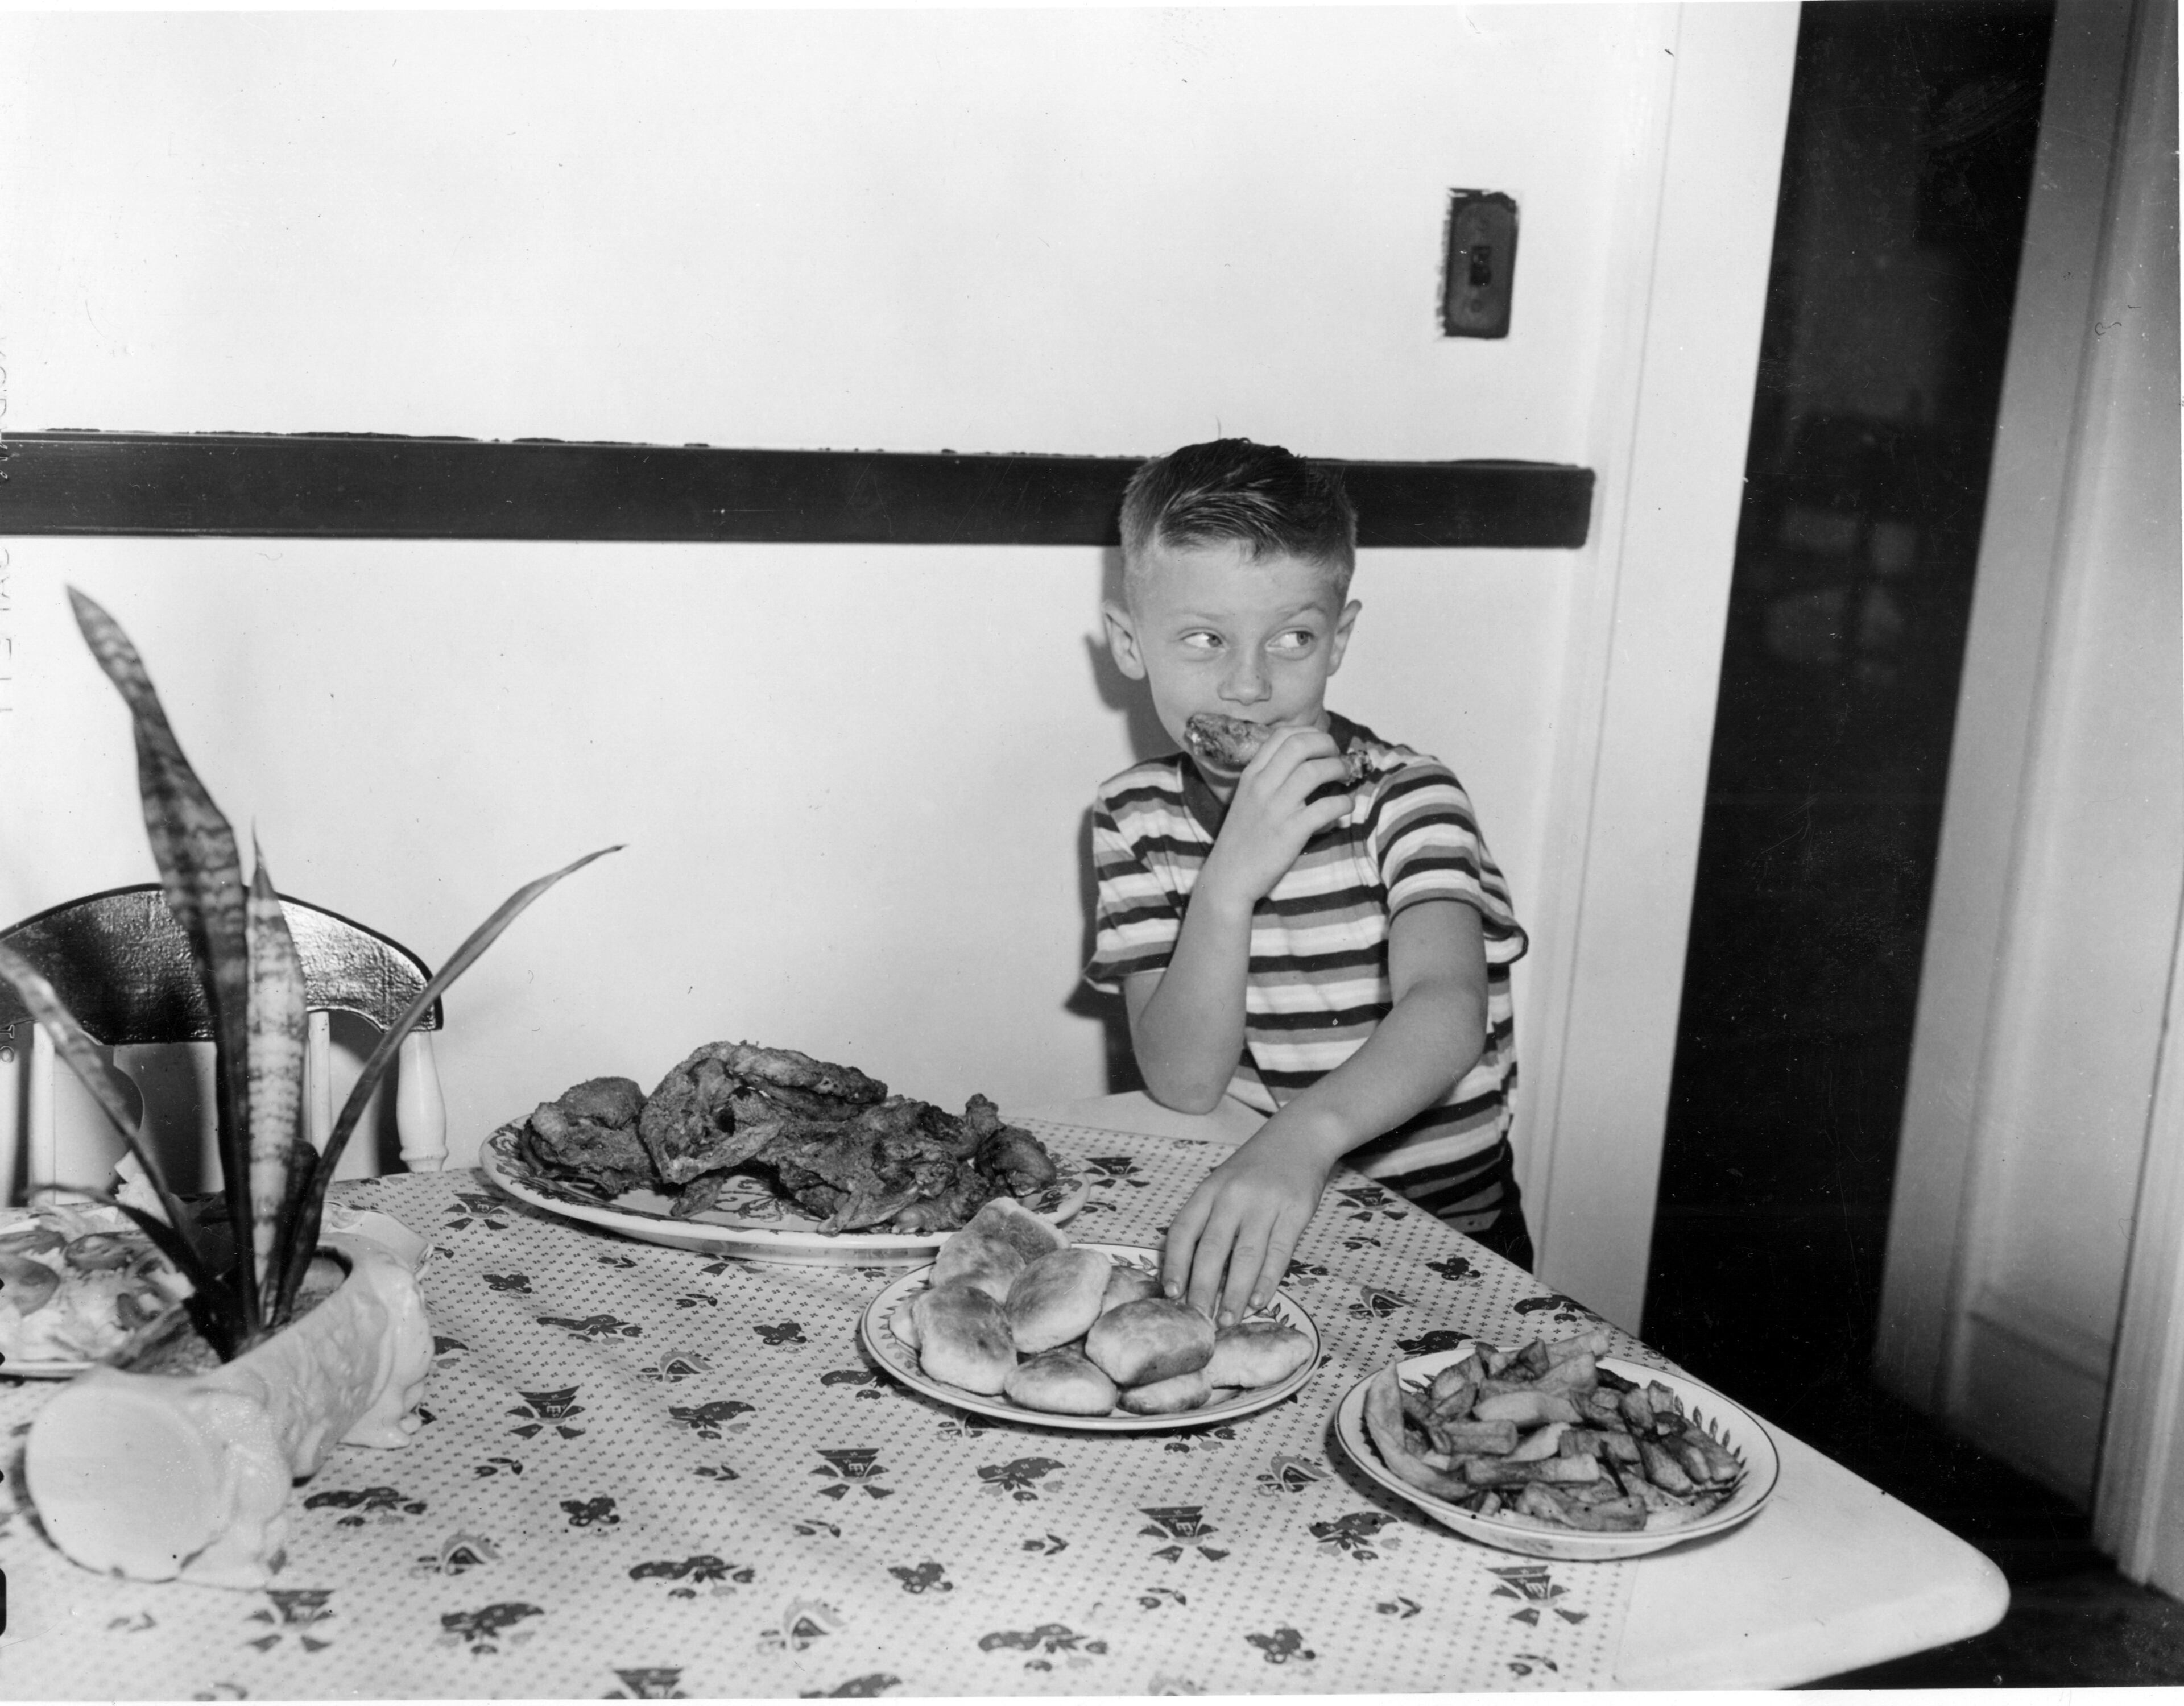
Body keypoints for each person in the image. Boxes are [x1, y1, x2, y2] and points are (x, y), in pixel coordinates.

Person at [1084, 437, 1530, 1327]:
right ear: (1131, 645)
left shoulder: (1406, 797)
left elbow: (1447, 1007)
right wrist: (1228, 882)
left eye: (1292, 637)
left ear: (1341, 639)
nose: (1249, 685)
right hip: (1255, 1209)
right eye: (1205, 639)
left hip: (1444, 1217)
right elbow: (1184, 1084)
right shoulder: (1132, 818)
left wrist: (1304, 1141)